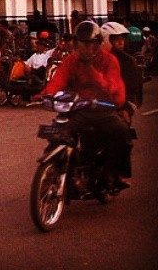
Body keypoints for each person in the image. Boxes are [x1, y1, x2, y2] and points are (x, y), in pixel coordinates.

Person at [38, 20, 131, 190]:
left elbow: (115, 89)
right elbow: (58, 80)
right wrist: (46, 94)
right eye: (82, 44)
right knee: (58, 132)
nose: (85, 49)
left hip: (103, 109)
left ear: (97, 45)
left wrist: (93, 72)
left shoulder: (109, 61)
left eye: (90, 45)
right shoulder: (71, 60)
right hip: (77, 108)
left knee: (123, 134)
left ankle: (113, 173)